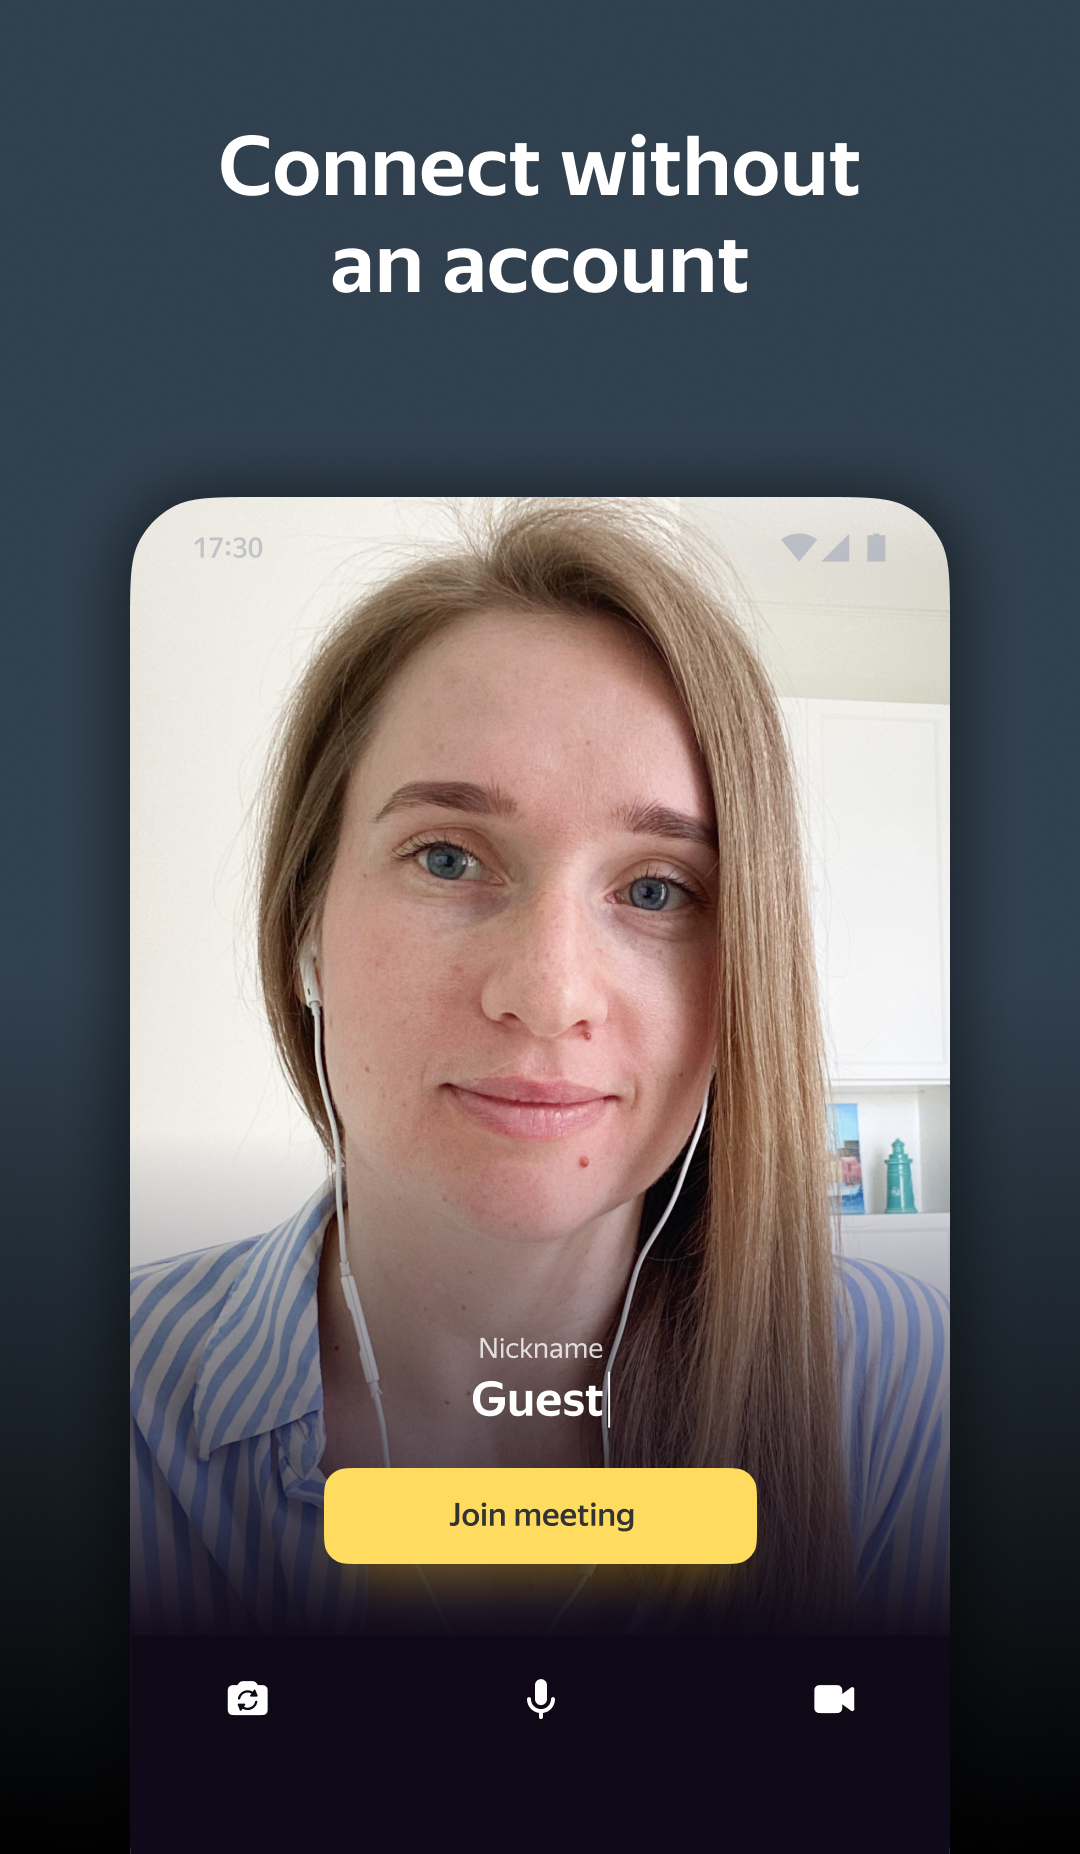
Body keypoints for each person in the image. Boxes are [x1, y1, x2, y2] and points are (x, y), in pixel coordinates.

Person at [131, 499, 948, 1637]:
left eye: (657, 889)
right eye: (447, 857)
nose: (551, 993)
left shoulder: (917, 1392)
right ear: (306, 918)